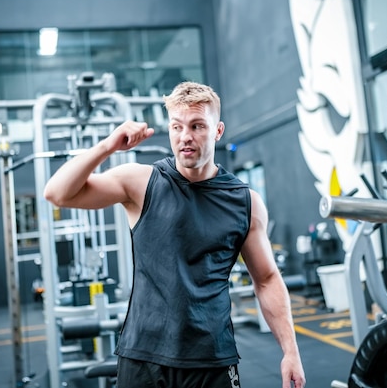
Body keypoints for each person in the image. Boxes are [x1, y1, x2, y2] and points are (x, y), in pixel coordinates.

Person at [44, 81, 306, 388]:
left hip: (212, 359)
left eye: (197, 126)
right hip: (143, 356)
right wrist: (108, 146)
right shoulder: (142, 182)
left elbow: (266, 279)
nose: (185, 137)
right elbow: (57, 193)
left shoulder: (245, 202)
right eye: (177, 126)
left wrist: (290, 351)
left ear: (218, 131)